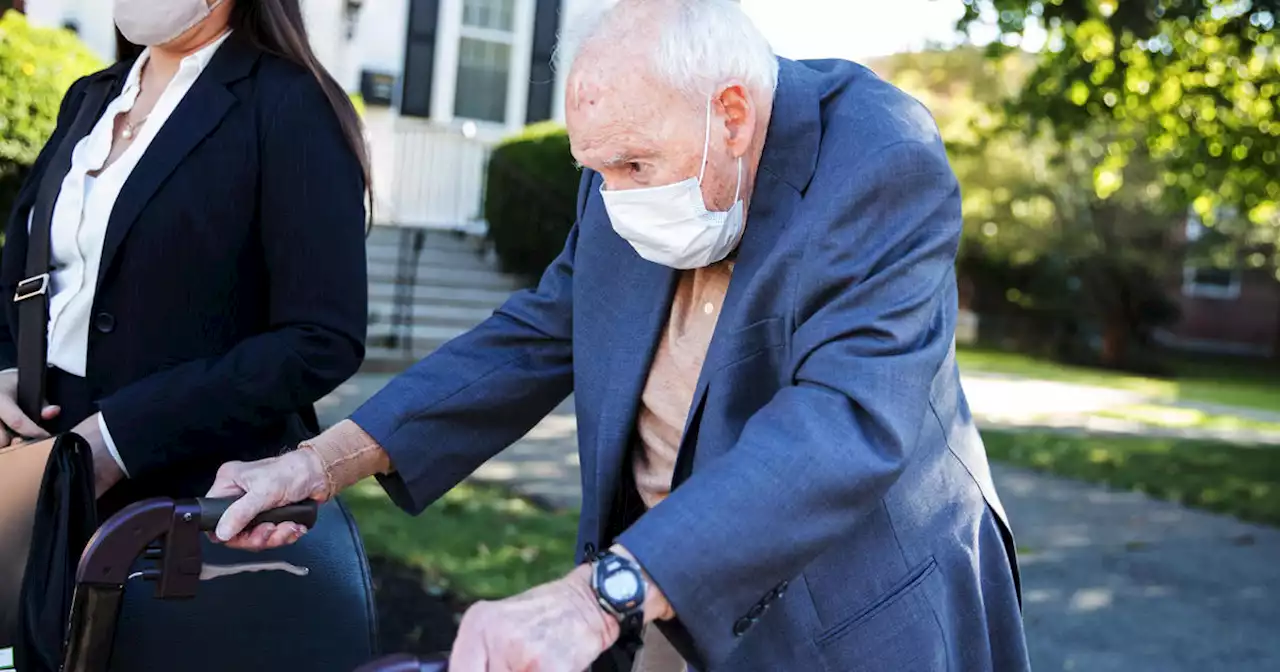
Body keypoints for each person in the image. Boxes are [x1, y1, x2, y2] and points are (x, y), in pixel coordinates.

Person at [208, 1, 1030, 670]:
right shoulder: (621, 164)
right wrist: (319, 461)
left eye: (634, 167)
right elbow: (537, 335)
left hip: (850, 606)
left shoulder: (882, 162)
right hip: (663, 584)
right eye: (594, 171)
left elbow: (842, 422)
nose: (613, 195)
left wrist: (592, 597)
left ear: (732, 116)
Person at [0, 0, 368, 516]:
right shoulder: (92, 96)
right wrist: (8, 371)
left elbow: (322, 339)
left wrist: (121, 439)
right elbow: (24, 270)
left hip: (185, 499)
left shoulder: (291, 105)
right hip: (34, 466)